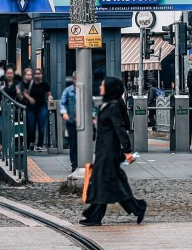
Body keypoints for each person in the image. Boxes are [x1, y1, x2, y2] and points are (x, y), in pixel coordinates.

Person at [81, 76, 147, 226]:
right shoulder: (109, 103)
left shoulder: (114, 105)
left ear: (110, 88)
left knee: (105, 183)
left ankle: (95, 216)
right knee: (111, 183)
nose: (100, 87)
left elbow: (119, 128)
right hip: (104, 150)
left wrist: (127, 150)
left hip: (109, 151)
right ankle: (137, 207)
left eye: (103, 85)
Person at [22, 68, 53, 152]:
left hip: (41, 107)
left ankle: (39, 145)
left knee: (41, 127)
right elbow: (25, 93)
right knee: (31, 128)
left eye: (39, 74)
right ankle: (31, 143)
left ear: (42, 75)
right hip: (31, 108)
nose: (37, 75)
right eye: (36, 74)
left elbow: (48, 94)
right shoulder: (30, 83)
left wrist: (50, 98)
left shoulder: (45, 84)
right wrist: (30, 98)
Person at [59, 72, 78, 172]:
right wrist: (64, 113)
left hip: (83, 120)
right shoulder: (68, 90)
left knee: (82, 143)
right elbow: (62, 103)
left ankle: (84, 162)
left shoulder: (85, 90)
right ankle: (74, 164)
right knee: (73, 143)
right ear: (73, 79)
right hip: (71, 121)